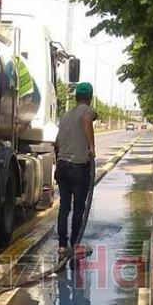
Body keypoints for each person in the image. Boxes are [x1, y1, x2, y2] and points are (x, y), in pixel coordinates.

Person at [54, 82, 96, 257]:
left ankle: (63, 246)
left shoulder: (65, 116)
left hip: (62, 166)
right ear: (90, 97)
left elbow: (56, 143)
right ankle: (76, 245)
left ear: (76, 97)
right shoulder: (87, 110)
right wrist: (92, 147)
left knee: (64, 207)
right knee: (79, 207)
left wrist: (61, 158)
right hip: (78, 167)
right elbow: (87, 120)